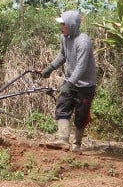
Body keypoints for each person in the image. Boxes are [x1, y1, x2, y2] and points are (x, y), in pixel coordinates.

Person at [37, 9, 96, 152]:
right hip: (70, 80)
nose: (61, 27)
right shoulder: (65, 38)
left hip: (85, 85)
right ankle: (63, 140)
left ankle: (77, 144)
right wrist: (50, 68)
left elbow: (81, 67)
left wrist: (69, 84)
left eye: (63, 24)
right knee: (62, 106)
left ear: (71, 25)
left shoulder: (83, 42)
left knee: (81, 116)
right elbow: (63, 55)